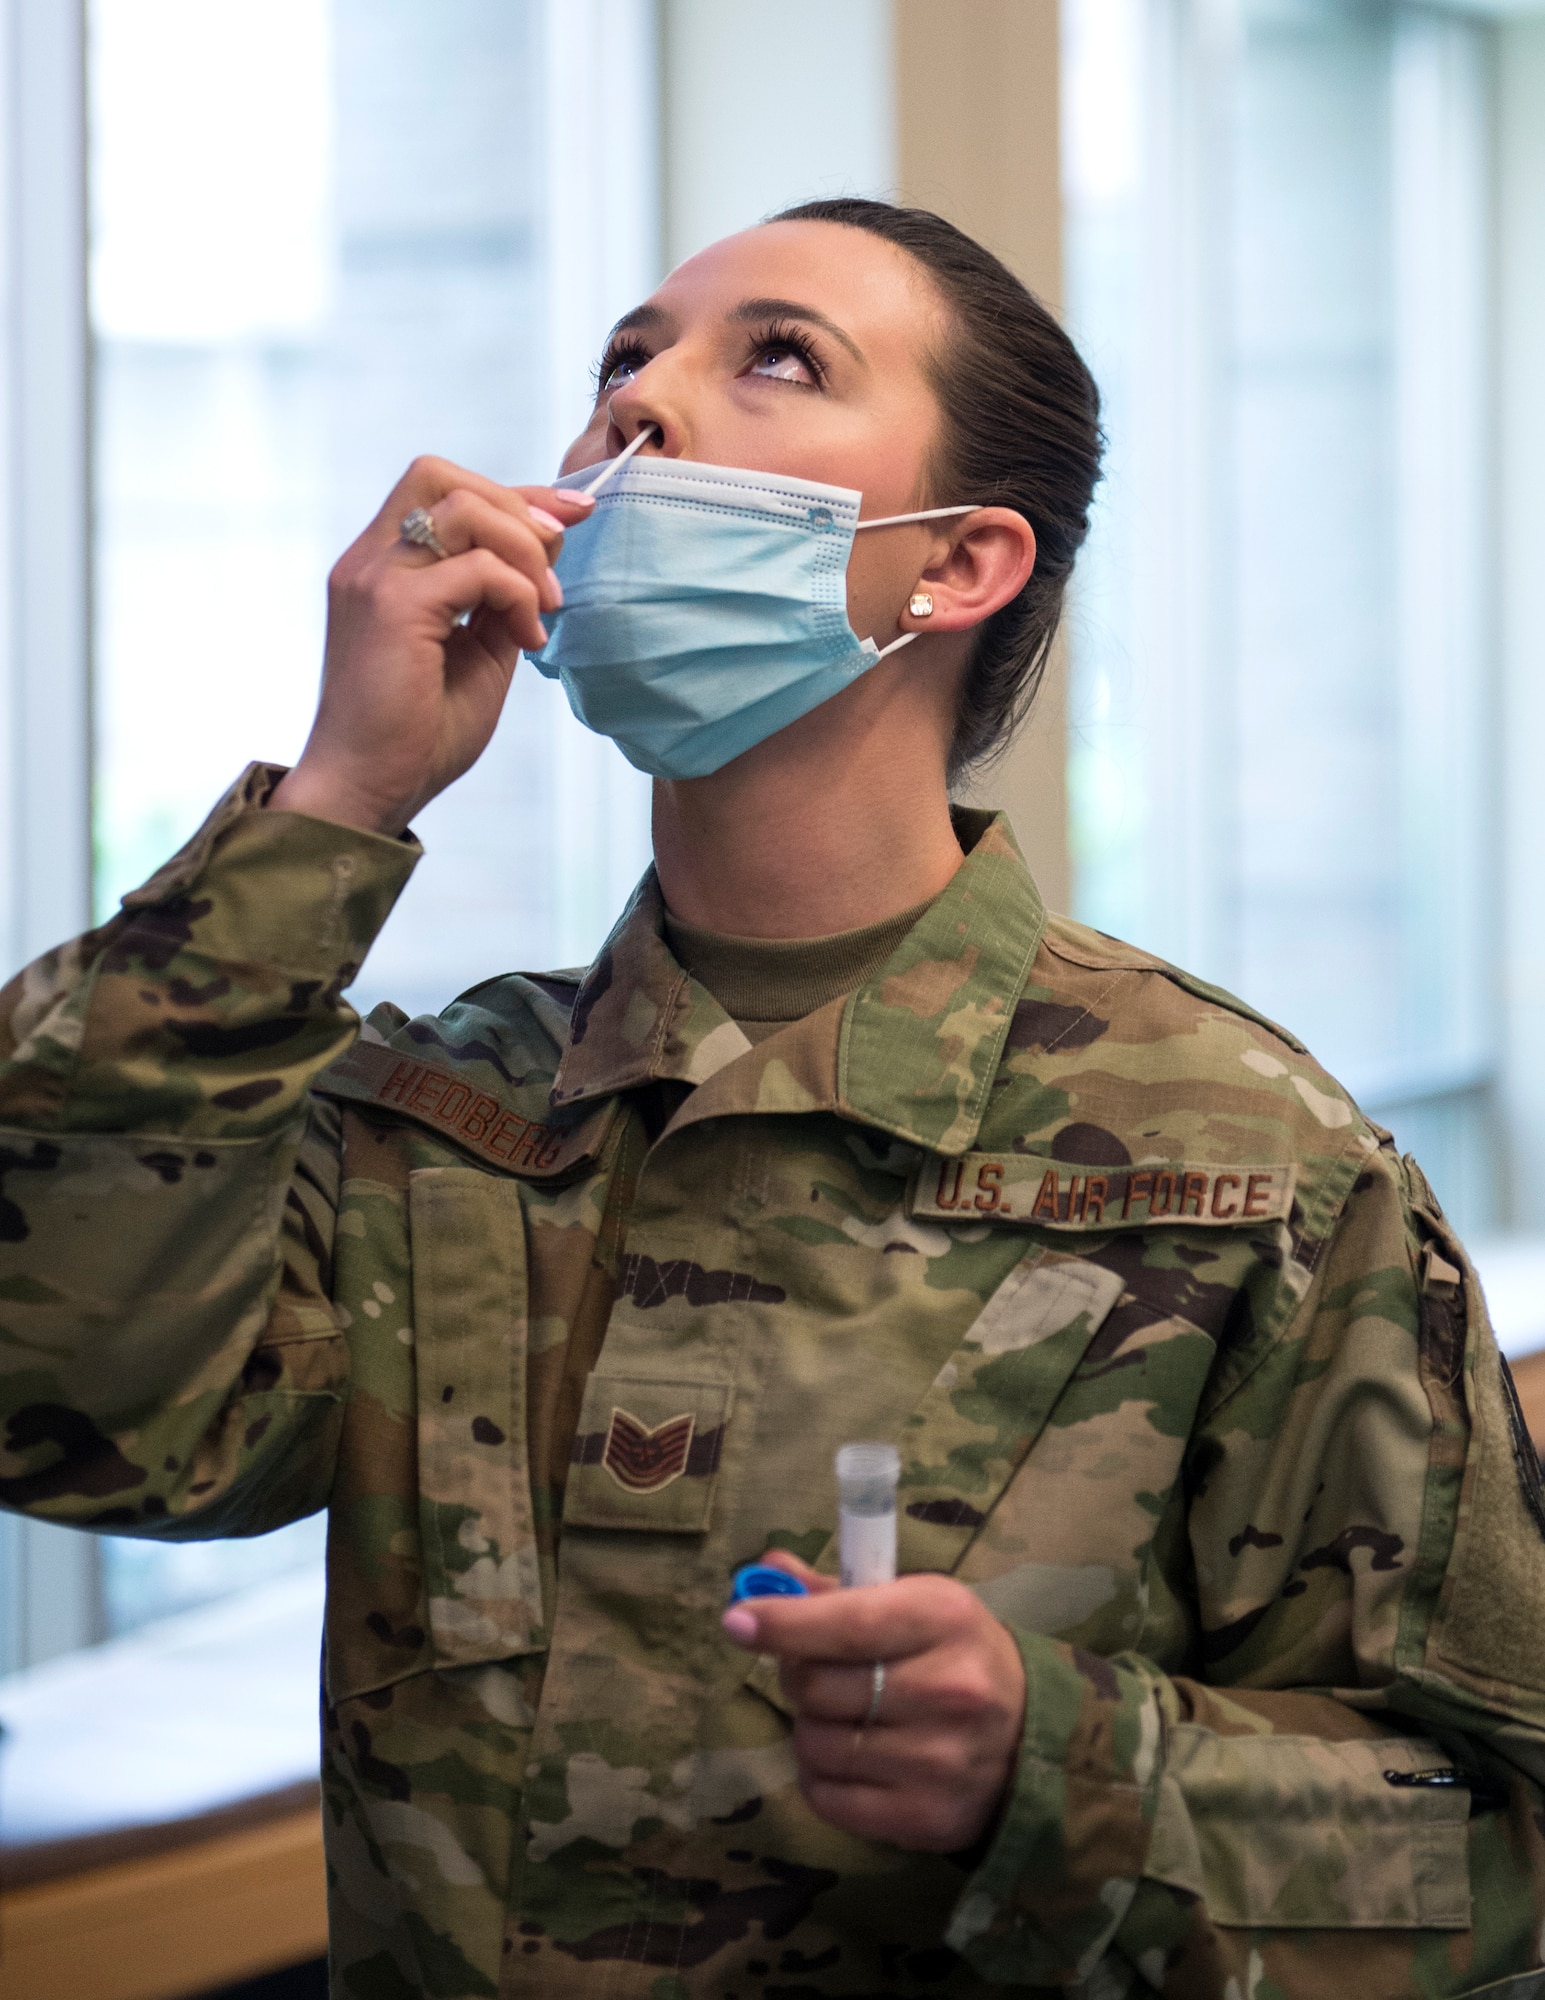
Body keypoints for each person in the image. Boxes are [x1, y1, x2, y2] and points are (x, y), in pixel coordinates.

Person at [1, 197, 1543, 2000]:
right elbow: (64, 1402)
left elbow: (1491, 1860)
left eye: (776, 358)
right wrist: (338, 801)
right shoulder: (440, 1112)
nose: (637, 405)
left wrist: (1054, 1771)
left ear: (954, 565)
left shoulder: (1240, 1158)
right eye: (622, 361)